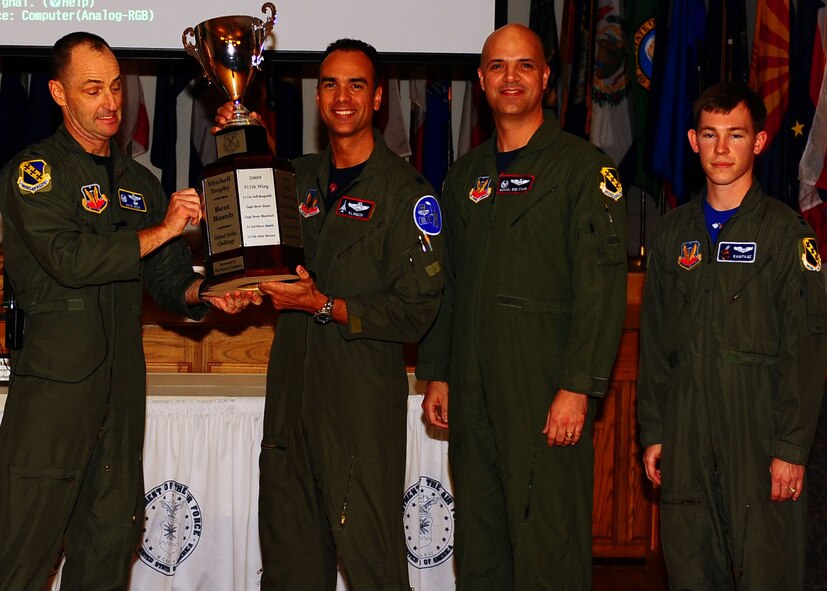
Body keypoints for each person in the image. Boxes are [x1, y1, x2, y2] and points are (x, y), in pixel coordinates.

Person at [0, 32, 258, 590]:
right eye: (92, 89)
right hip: (54, 400)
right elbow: (69, 258)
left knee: (108, 554)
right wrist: (165, 228)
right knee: (19, 559)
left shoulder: (142, 183)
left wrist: (206, 294)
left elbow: (166, 280)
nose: (110, 102)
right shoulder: (34, 172)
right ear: (58, 94)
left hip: (120, 402)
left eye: (116, 87)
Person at [217, 39, 443, 589]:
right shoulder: (297, 177)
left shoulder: (406, 194)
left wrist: (324, 305)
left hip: (359, 409)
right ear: (319, 96)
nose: (342, 97)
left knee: (372, 567)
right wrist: (242, 139)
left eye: (356, 84)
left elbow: (417, 312)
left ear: (379, 98)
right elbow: (256, 233)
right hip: (290, 403)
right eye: (330, 84)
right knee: (290, 567)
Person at [417, 24, 628, 590]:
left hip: (544, 388)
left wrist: (577, 387)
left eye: (525, 66)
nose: (511, 77)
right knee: (482, 541)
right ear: (482, 81)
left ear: (546, 79)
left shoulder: (584, 170)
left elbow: (601, 289)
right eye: (498, 67)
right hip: (472, 387)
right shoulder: (463, 177)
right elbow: (449, 286)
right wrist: (438, 373)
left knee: (547, 543)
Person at [637, 81, 827, 589]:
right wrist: (654, 431)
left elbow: (806, 349)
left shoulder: (788, 236)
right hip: (686, 429)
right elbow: (653, 344)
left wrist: (791, 447)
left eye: (736, 135)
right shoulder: (672, 235)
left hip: (759, 433)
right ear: (692, 141)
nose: (722, 149)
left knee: (767, 570)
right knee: (692, 569)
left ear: (759, 143)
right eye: (711, 134)